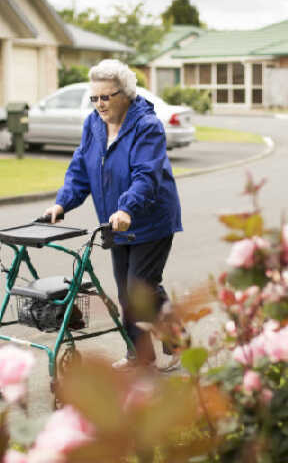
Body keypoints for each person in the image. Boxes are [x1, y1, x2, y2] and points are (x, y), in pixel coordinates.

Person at [43, 59, 182, 370]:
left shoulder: (147, 127)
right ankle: (140, 356)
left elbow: (147, 175)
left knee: (140, 290)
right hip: (114, 222)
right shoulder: (93, 125)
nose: (99, 104)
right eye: (94, 98)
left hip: (150, 218)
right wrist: (62, 203)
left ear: (126, 94)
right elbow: (81, 168)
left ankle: (177, 343)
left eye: (106, 97)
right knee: (125, 291)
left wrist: (127, 208)